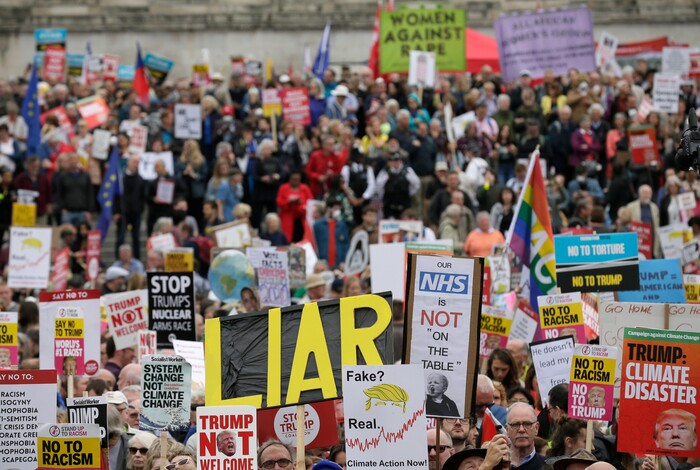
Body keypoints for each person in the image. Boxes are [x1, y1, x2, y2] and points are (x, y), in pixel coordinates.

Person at [506, 402, 545, 470]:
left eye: (527, 424)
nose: (521, 429)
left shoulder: (548, 466)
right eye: (515, 424)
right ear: (507, 430)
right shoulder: (495, 465)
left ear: (536, 428)